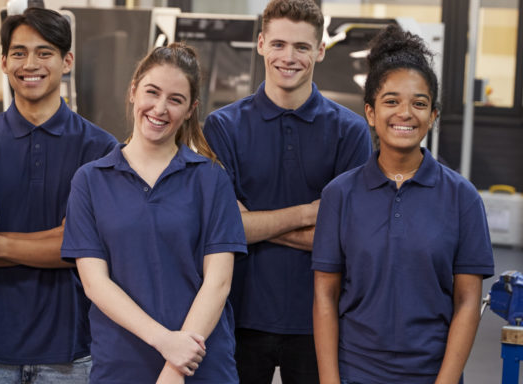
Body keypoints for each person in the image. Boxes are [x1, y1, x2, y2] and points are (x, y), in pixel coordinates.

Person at [312, 24, 494, 384]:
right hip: (355, 373)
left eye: (419, 103)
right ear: (370, 112)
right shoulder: (340, 194)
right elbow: (325, 295)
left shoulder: (462, 198)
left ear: (433, 116)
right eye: (391, 101)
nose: (405, 113)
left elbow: (468, 302)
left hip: (431, 374)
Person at [202, 0, 372, 382]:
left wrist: (253, 224)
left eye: (301, 47)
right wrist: (311, 213)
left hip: (320, 318)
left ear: (320, 51)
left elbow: (347, 237)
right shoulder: (222, 127)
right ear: (261, 43)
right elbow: (223, 228)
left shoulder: (350, 131)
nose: (288, 57)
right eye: (278, 44)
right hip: (237, 314)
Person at [61, 43, 247, 383]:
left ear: (190, 109)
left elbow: (218, 283)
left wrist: (176, 367)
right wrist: (166, 343)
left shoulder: (211, 179)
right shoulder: (90, 181)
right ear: (133, 91)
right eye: (152, 92)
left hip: (201, 366)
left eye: (175, 99)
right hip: (122, 367)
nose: (160, 108)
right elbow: (96, 284)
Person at [0, 7, 117, 383]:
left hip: (73, 354)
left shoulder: (100, 148)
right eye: (19, 52)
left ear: (67, 61)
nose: (30, 63)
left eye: (44, 52)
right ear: (3, 61)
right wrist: (55, 243)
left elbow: (84, 249)